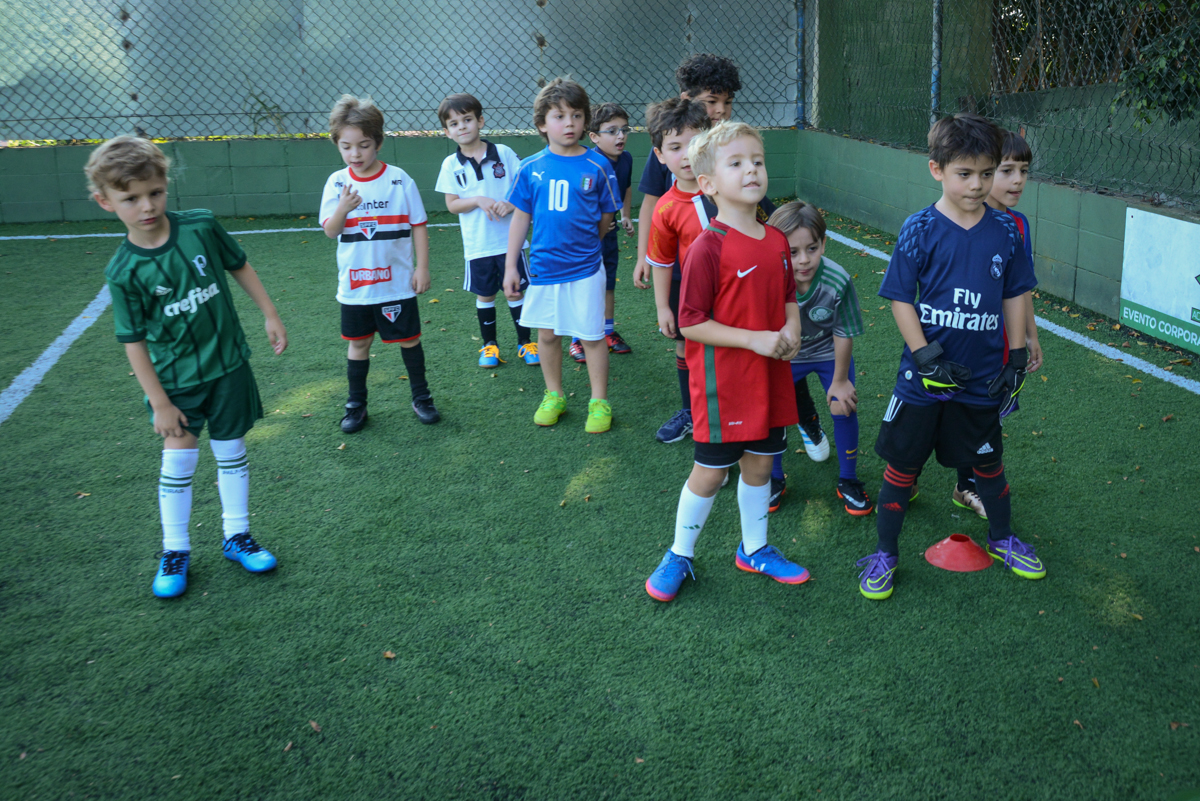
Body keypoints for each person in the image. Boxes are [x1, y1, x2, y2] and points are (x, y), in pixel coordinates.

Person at [87, 135, 287, 598]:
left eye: (154, 192)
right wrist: (159, 402)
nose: (146, 206)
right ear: (105, 202)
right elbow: (133, 342)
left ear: (165, 185)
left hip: (228, 366)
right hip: (176, 381)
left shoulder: (200, 227)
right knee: (178, 461)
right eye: (130, 198)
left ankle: (237, 536)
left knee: (232, 449)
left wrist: (270, 313)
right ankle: (174, 549)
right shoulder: (124, 271)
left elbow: (239, 265)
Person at [856, 113, 1043, 602]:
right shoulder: (919, 228)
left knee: (989, 466)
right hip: (923, 380)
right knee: (901, 469)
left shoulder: (1007, 231)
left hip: (982, 377)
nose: (978, 185)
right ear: (936, 169)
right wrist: (924, 358)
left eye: (986, 173)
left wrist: (1017, 356)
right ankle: (885, 554)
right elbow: (900, 297)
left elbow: (1015, 293)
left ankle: (1001, 541)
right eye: (965, 173)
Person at [645, 121, 809, 602]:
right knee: (712, 472)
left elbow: (787, 300)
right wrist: (756, 340)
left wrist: (792, 329)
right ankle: (679, 553)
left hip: (769, 376)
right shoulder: (706, 248)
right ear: (709, 184)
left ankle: (753, 548)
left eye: (757, 160)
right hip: (723, 384)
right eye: (736, 163)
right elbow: (690, 323)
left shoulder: (776, 240)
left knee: (761, 466)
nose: (752, 170)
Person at [502, 78, 621, 433]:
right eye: (558, 116)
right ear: (542, 124)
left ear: (586, 122)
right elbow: (521, 217)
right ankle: (554, 394)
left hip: (585, 269)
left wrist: (585, 248)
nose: (568, 123)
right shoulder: (529, 167)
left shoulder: (598, 167)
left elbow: (605, 220)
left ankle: (598, 401)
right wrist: (511, 265)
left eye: (576, 115)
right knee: (548, 335)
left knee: (592, 335)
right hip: (543, 269)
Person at [320, 95, 438, 433]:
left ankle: (422, 397)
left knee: (409, 339)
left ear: (379, 142)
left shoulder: (399, 179)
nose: (355, 154)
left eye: (364, 145)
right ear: (337, 146)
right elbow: (331, 231)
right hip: (356, 287)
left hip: (396, 284)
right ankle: (355, 405)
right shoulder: (336, 183)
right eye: (346, 147)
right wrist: (342, 207)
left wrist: (422, 267)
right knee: (358, 344)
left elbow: (418, 224)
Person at [949, 128, 1042, 518]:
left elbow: (1019, 288)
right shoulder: (958, 223)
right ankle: (930, 473)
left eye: (1023, 170)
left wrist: (1030, 336)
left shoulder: (1018, 226)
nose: (1017, 180)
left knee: (987, 412)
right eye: (1006, 170)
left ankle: (968, 483)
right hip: (962, 340)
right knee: (951, 411)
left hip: (1002, 344)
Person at [764, 202, 870, 516]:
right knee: (773, 411)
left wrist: (840, 381)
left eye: (812, 248)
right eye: (792, 251)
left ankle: (848, 480)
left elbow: (843, 332)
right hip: (786, 355)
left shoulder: (837, 280)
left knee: (843, 406)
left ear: (824, 243)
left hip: (827, 352)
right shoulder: (769, 278)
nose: (804, 260)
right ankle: (773, 478)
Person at [434, 93, 538, 369]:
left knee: (515, 292)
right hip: (478, 245)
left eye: (467, 119)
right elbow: (453, 205)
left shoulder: (503, 153)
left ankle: (525, 343)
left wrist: (510, 203)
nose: (462, 127)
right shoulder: (450, 165)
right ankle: (489, 346)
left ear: (480, 121)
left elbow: (523, 186)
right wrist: (478, 200)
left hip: (510, 243)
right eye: (454, 124)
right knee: (486, 295)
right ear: (447, 132)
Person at [642, 97, 711, 442]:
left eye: (695, 143)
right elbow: (662, 260)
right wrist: (662, 307)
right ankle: (692, 412)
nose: (686, 154)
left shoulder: (730, 187)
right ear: (659, 155)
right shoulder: (666, 207)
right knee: (687, 348)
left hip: (738, 289)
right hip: (689, 291)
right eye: (674, 147)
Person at [569, 102, 635, 362]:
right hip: (585, 238)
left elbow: (626, 188)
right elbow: (578, 201)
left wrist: (625, 215)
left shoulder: (627, 159)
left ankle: (608, 332)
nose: (621, 136)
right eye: (612, 131)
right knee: (585, 286)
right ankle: (577, 339)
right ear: (594, 136)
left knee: (608, 284)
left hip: (610, 236)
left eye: (624, 129)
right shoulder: (587, 162)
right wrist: (595, 222)